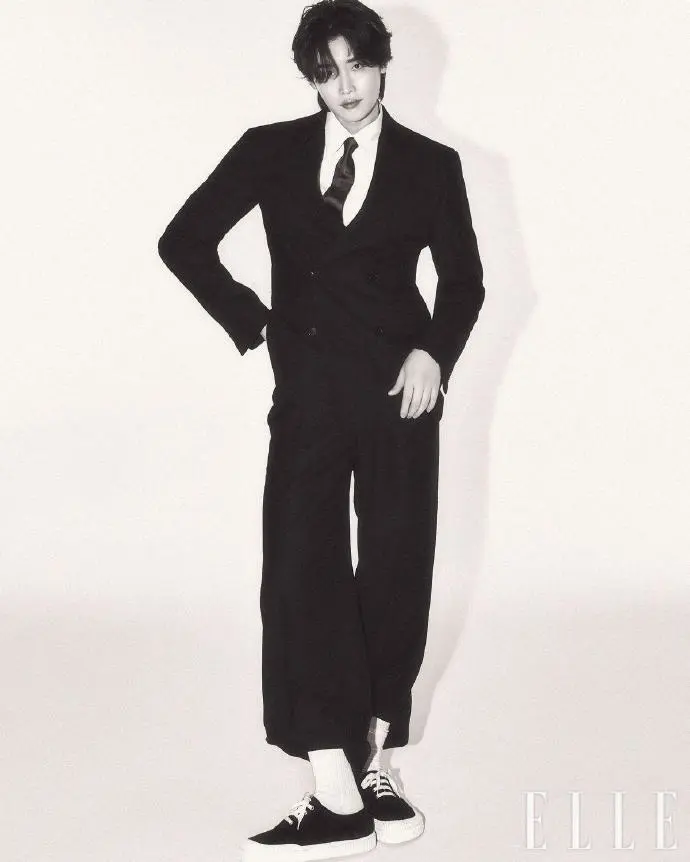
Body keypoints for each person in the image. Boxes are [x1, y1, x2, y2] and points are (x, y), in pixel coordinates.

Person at [158, 1, 484, 858]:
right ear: (311, 77)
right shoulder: (268, 150)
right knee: (302, 569)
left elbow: (464, 283)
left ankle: (376, 757)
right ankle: (331, 775)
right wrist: (255, 324)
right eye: (327, 71)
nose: (346, 86)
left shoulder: (431, 164)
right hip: (308, 392)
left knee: (398, 562)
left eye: (358, 66)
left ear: (383, 65)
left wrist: (434, 353)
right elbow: (183, 240)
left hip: (400, 390)